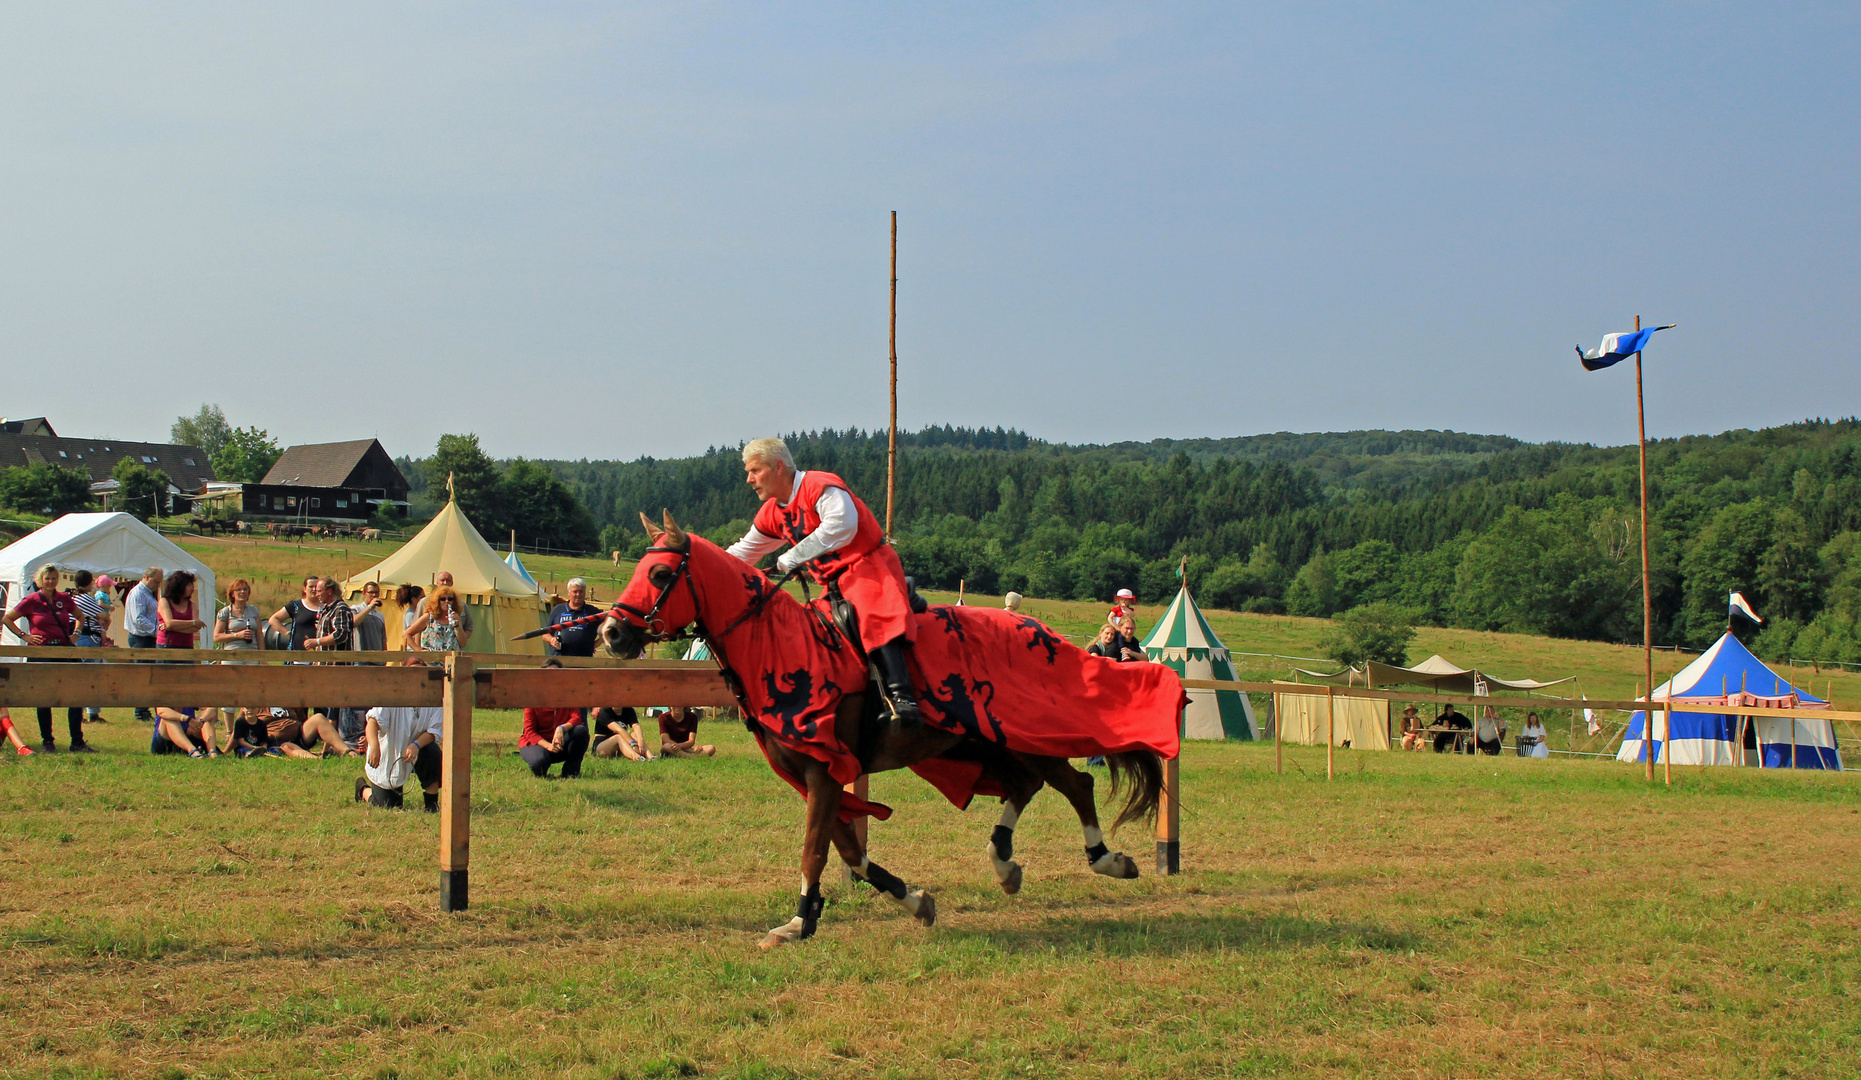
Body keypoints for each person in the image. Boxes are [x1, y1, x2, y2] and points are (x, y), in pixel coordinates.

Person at [726, 437, 922, 727]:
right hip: (832, 583)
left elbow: (842, 525)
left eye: (755, 470)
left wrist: (792, 556)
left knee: (871, 615)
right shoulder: (771, 511)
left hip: (867, 566)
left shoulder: (818, 485)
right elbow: (745, 552)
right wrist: (703, 562)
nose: (749, 479)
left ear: (778, 466)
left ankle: (902, 699)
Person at [3, 565, 93, 753]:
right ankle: (48, 741)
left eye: (53, 578)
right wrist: (24, 635)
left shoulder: (64, 599)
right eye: (47, 578)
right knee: (44, 697)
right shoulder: (32, 600)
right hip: (41, 651)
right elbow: (7, 619)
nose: (51, 582)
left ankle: (77, 741)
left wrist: (76, 633)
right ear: (40, 580)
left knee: (75, 695)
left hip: (63, 649)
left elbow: (80, 616)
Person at [353, 659, 444, 811]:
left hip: (417, 749)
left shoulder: (434, 698)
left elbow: (434, 731)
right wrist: (374, 746)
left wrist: (416, 745)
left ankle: (431, 804)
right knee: (388, 806)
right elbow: (372, 722)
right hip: (390, 752)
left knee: (433, 753)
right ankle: (363, 790)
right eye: (411, 673)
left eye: (420, 674)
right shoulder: (392, 695)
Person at [520, 660, 588, 777]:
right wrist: (548, 746)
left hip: (560, 742)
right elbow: (529, 732)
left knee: (581, 731)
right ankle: (542, 773)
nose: (552, 678)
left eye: (556, 674)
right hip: (537, 743)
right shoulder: (533, 698)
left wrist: (561, 728)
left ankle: (570, 773)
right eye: (549, 674)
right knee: (539, 762)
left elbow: (577, 718)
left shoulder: (568, 695)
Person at [213, 578, 264, 728]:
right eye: (239, 590)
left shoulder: (254, 610)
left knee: (251, 691)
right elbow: (216, 637)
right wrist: (237, 635)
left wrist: (263, 657)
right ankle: (229, 730)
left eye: (245, 589)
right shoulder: (225, 612)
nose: (242, 592)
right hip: (232, 655)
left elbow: (260, 635)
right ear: (232, 594)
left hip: (252, 654)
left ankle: (245, 725)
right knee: (231, 690)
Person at [70, 569, 112, 725]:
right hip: (87, 639)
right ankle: (91, 714)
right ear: (89, 583)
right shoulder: (85, 599)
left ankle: (80, 713)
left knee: (80, 678)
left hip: (77, 639)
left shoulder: (72, 597)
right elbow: (104, 616)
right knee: (91, 677)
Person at [125, 567, 164, 723]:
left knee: (148, 674)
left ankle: (144, 709)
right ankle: (140, 711)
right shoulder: (138, 594)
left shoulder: (147, 593)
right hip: (141, 638)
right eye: (156, 581)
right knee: (142, 674)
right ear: (147, 577)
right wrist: (157, 631)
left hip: (147, 638)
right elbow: (139, 619)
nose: (158, 585)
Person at [543, 578, 602, 658]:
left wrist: (598, 643)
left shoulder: (592, 611)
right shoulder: (558, 609)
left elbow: (609, 629)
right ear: (568, 593)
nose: (578, 594)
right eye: (575, 591)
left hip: (584, 660)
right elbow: (545, 633)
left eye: (581, 591)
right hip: (559, 659)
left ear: (585, 593)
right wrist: (551, 640)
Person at [267, 575, 322, 655]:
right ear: (304, 589)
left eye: (316, 587)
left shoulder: (327, 606)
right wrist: (288, 634)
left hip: (323, 654)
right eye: (311, 587)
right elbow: (274, 619)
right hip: (299, 654)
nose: (314, 589)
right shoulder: (296, 606)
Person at [157, 570, 204, 652]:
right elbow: (170, 623)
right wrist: (193, 622)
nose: (191, 588)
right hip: (167, 645)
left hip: (187, 646)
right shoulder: (164, 601)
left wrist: (172, 627)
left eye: (191, 585)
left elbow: (196, 628)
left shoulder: (192, 605)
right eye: (188, 585)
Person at [406, 587, 464, 652]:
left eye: (450, 599)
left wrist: (457, 626)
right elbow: (406, 634)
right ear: (437, 601)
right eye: (443, 599)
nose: (447, 601)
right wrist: (418, 650)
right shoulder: (428, 617)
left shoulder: (456, 619)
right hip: (431, 660)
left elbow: (463, 643)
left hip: (451, 660)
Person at [151, 705, 221, 758]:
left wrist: (200, 721)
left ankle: (212, 752)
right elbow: (162, 711)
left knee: (207, 717)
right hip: (165, 740)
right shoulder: (165, 696)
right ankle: (192, 750)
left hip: (188, 735)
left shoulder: (189, 696)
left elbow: (212, 709)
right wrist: (187, 719)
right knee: (168, 719)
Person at [432, 572, 474, 640]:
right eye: (442, 580)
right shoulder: (425, 602)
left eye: (448, 580)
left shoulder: (462, 605)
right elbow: (415, 630)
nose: (445, 583)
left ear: (452, 583)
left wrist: (459, 638)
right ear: (437, 583)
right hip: (433, 648)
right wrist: (418, 649)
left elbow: (469, 628)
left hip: (454, 648)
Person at [351, 581, 387, 654]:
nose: (374, 595)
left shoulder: (379, 615)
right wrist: (369, 607)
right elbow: (353, 622)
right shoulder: (356, 609)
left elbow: (383, 639)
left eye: (376, 592)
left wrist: (384, 657)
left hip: (377, 659)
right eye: (371, 592)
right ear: (364, 594)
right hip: (360, 658)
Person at [394, 584, 426, 650]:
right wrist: (418, 649)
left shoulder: (417, 612)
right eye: (422, 597)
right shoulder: (410, 614)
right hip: (413, 649)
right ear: (414, 600)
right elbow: (414, 633)